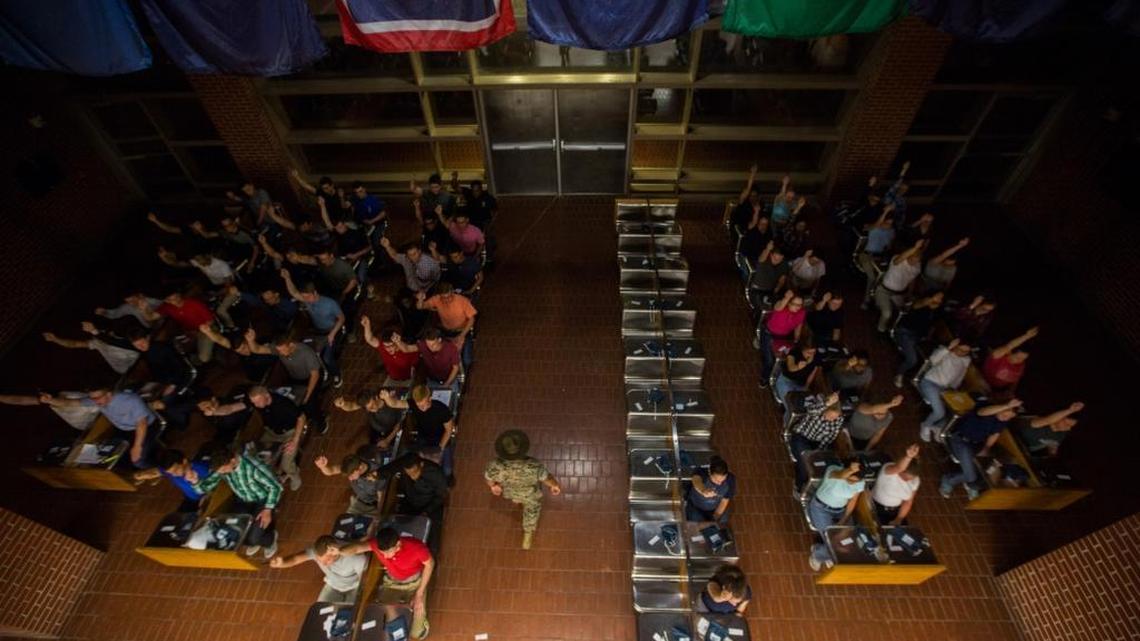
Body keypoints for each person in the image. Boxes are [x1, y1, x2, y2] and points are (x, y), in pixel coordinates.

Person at [200, 386, 306, 491]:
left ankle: (294, 475)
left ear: (267, 395)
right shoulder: (255, 401)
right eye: (253, 402)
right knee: (255, 453)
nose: (255, 405)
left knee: (286, 464)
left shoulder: (283, 403)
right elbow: (230, 408)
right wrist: (215, 412)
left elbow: (301, 418)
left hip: (290, 433)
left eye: (258, 402)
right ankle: (275, 473)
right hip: (271, 432)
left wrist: (295, 441)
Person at [341, 527, 434, 639]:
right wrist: (340, 551)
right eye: (382, 552)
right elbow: (356, 549)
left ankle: (418, 623)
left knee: (417, 633)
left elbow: (430, 564)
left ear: (398, 544)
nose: (385, 556)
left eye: (388, 552)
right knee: (386, 608)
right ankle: (399, 635)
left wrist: (419, 593)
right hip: (391, 582)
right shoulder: (376, 544)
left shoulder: (416, 548)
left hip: (414, 581)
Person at [194, 444, 283, 558]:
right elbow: (205, 487)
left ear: (233, 460)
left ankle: (270, 540)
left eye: (224, 470)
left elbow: (276, 486)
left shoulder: (252, 467)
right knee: (237, 533)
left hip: (263, 499)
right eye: (220, 471)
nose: (222, 473)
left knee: (252, 539)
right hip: (243, 500)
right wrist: (195, 481)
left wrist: (268, 509)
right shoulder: (222, 467)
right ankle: (257, 538)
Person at [39, 389, 158, 468]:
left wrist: (137, 446)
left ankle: (156, 469)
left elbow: (141, 424)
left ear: (109, 394)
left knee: (138, 461)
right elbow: (70, 403)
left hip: (147, 428)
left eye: (98, 398)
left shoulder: (130, 400)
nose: (95, 401)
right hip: (125, 430)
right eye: (93, 398)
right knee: (104, 453)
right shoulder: (97, 400)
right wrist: (50, 400)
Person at [484, 429, 562, 549]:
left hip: (510, 491)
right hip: (530, 494)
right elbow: (546, 478)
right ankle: (528, 535)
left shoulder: (494, 465)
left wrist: (493, 486)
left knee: (516, 498)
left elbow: (489, 478)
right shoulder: (533, 465)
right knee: (531, 512)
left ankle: (518, 500)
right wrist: (554, 485)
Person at [940, 399, 1023, 500]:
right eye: (1006, 414)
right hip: (961, 440)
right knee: (971, 476)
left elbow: (995, 434)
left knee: (988, 468)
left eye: (1009, 418)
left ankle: (972, 486)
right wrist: (1006, 405)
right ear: (1002, 407)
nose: (1006, 418)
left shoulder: (1002, 422)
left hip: (975, 445)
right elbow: (982, 412)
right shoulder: (987, 406)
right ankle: (948, 480)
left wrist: (986, 448)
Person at [246, 332, 328, 433]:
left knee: (309, 403)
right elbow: (257, 349)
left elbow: (315, 375)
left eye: (282, 350)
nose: (280, 353)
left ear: (291, 345)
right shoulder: (279, 349)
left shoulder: (305, 352)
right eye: (278, 350)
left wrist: (307, 396)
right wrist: (250, 341)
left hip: (311, 378)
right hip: (296, 378)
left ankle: (321, 419)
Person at [280, 269, 344, 388]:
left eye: (307, 297)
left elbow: (341, 319)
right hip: (318, 331)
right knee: (309, 350)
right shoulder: (306, 299)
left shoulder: (330, 303)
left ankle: (336, 374)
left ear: (314, 293)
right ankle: (322, 373)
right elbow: (294, 293)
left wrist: (333, 334)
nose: (305, 300)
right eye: (304, 297)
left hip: (332, 331)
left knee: (327, 358)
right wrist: (287, 278)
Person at [380, 386, 456, 476]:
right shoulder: (413, 404)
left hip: (440, 439)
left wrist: (440, 447)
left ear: (430, 398)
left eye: (424, 405)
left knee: (447, 470)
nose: (421, 408)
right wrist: (387, 398)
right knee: (419, 465)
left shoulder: (442, 409)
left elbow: (449, 430)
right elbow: (395, 404)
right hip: (423, 438)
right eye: (419, 405)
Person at [269, 535, 368, 604]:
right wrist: (282, 563)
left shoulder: (355, 558)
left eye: (327, 560)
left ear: (334, 552)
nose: (324, 564)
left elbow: (365, 581)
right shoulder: (316, 551)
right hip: (333, 585)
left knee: (351, 614)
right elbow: (295, 559)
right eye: (320, 561)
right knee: (321, 612)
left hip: (355, 587)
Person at [807, 459, 865, 571]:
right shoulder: (833, 470)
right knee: (832, 540)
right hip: (821, 508)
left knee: (849, 536)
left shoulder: (860, 482)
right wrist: (850, 470)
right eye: (850, 480)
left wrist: (845, 518)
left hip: (840, 510)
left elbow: (853, 500)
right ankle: (818, 555)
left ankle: (824, 551)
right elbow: (840, 475)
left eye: (855, 481)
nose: (853, 483)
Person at [918, 338, 973, 442]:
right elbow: (933, 360)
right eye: (960, 350)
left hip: (945, 388)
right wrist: (948, 348)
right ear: (955, 346)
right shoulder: (945, 351)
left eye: (966, 351)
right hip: (930, 383)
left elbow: (960, 375)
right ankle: (925, 425)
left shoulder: (966, 359)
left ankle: (937, 427)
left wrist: (954, 389)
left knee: (953, 410)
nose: (962, 353)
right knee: (939, 412)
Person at [789, 392, 845, 493]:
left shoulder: (838, 419)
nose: (832, 420)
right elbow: (811, 410)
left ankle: (806, 479)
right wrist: (827, 403)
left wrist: (819, 451)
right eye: (830, 416)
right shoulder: (818, 409)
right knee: (805, 464)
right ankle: (799, 485)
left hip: (816, 443)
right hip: (801, 437)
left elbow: (830, 436)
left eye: (835, 418)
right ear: (825, 410)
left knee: (813, 463)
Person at [141, 292, 216, 364]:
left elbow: (210, 321)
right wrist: (144, 309)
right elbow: (150, 317)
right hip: (189, 333)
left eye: (174, 297)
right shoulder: (167, 307)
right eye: (168, 299)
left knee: (204, 358)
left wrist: (200, 331)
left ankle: (205, 357)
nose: (172, 300)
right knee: (173, 350)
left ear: (178, 294)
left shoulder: (193, 303)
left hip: (206, 330)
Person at [41, 322, 140, 375]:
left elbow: (114, 340)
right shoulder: (96, 342)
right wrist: (55, 339)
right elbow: (74, 344)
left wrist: (95, 331)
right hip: (124, 371)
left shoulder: (117, 334)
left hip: (137, 362)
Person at [892, 292, 944, 388]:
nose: (939, 299)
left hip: (917, 338)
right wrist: (929, 301)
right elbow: (917, 305)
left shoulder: (937, 312)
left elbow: (932, 326)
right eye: (937, 296)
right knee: (912, 360)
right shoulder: (923, 302)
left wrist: (927, 337)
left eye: (941, 298)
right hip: (904, 332)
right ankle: (899, 374)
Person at [132, 449, 211, 513]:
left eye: (176, 470)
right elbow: (157, 471)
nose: (174, 475)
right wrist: (140, 475)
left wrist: (206, 498)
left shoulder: (202, 470)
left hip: (205, 497)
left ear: (184, 461)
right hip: (190, 499)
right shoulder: (171, 470)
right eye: (171, 473)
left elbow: (214, 488)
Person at [417, 284, 476, 367]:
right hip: (446, 332)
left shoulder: (462, 300)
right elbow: (420, 307)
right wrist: (420, 299)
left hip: (462, 332)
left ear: (452, 292)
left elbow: (472, 319)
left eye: (449, 297)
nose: (447, 300)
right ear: (440, 296)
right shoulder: (437, 299)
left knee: (467, 360)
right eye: (444, 298)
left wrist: (461, 336)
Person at [873, 239, 925, 332]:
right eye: (913, 258)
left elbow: (912, 281)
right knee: (887, 313)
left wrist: (909, 294)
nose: (915, 262)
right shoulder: (898, 259)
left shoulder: (917, 267)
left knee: (902, 314)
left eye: (918, 260)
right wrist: (915, 247)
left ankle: (892, 332)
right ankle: (880, 330)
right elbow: (900, 258)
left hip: (899, 294)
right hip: (884, 291)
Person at [315, 450, 384, 516]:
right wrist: (323, 467)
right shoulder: (352, 465)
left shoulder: (378, 475)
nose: (350, 478)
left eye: (351, 475)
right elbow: (331, 471)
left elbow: (382, 499)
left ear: (360, 468)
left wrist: (378, 516)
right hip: (358, 502)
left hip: (373, 506)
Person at [759, 290, 807, 385]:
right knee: (769, 360)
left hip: (784, 337)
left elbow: (799, 325)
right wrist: (786, 297)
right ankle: (764, 377)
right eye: (794, 304)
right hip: (769, 334)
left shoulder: (801, 312)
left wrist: (796, 339)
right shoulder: (781, 306)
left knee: (784, 358)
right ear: (788, 303)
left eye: (799, 305)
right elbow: (778, 307)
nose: (797, 307)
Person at [333, 390, 403, 452]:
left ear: (376, 397)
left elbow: (400, 423)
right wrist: (343, 405)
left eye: (372, 405)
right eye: (368, 408)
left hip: (393, 432)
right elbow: (351, 406)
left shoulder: (389, 401)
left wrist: (387, 440)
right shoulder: (366, 403)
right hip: (377, 430)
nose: (372, 409)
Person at [872, 444, 921, 525]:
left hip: (895, 511)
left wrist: (899, 519)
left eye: (910, 479)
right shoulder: (889, 469)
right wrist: (908, 457)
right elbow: (899, 467)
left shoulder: (916, 480)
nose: (907, 481)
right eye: (905, 477)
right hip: (876, 507)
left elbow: (908, 502)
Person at [361, 318, 419, 386]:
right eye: (386, 346)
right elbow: (370, 339)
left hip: (407, 381)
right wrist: (367, 326)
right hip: (391, 379)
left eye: (391, 345)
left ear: (396, 342)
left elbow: (416, 363)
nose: (388, 349)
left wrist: (413, 371)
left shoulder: (408, 350)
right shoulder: (382, 347)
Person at [983, 326, 1039, 396]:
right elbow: (1009, 346)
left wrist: (1010, 392)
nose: (1020, 360)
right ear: (1009, 352)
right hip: (982, 384)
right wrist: (1027, 336)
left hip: (999, 392)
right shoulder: (998, 355)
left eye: (1023, 359)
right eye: (1018, 357)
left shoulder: (1021, 364)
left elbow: (1016, 380)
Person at [1018, 402, 1083, 457]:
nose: (1068, 428)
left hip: (1021, 452)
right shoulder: (1039, 420)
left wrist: (1052, 451)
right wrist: (1070, 410)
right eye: (1067, 423)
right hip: (1011, 438)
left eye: (1071, 427)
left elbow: (1050, 450)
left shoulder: (1061, 435)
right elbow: (1047, 420)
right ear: (1060, 417)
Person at [686, 455, 736, 525]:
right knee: (695, 526)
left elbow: (725, 500)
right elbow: (696, 480)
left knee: (721, 525)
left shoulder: (730, 479)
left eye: (723, 480)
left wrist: (715, 518)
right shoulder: (701, 472)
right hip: (696, 507)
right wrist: (703, 490)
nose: (719, 483)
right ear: (709, 472)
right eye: (716, 480)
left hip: (715, 508)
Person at [416, 327, 461, 393]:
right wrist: (398, 342)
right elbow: (407, 349)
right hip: (432, 381)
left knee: (453, 399)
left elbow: (455, 368)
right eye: (428, 344)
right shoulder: (423, 345)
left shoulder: (451, 348)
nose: (430, 347)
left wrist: (447, 384)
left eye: (433, 344)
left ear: (439, 340)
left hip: (450, 380)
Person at [747, 241, 789, 310]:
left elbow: (782, 280)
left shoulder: (784, 264)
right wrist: (768, 249)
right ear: (770, 255)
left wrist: (776, 289)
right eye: (775, 258)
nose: (777, 261)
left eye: (780, 259)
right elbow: (761, 258)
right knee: (761, 306)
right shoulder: (764, 259)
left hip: (770, 291)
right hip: (757, 289)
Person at [95, 292, 164, 329]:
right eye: (128, 302)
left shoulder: (150, 300)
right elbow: (115, 314)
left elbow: (165, 303)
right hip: (152, 327)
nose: (131, 303)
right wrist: (104, 312)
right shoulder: (128, 307)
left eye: (133, 300)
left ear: (139, 296)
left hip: (163, 320)